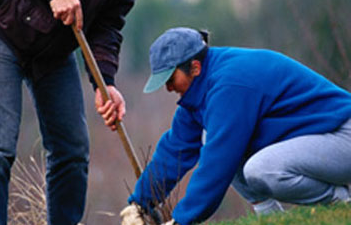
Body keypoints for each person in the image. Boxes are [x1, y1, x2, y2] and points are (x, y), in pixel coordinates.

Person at [119, 27, 351, 225]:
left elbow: (217, 163)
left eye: (171, 79)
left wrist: (182, 220)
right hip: (322, 139)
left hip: (343, 135)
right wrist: (140, 202)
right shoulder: (201, 90)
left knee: (261, 168)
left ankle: (341, 203)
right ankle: (270, 218)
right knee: (215, 140)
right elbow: (175, 150)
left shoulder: (230, 85)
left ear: (195, 67)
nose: (168, 88)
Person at [0, 0, 144, 224]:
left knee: (72, 151)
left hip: (53, 48)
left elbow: (108, 23)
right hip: (0, 23)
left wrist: (105, 81)